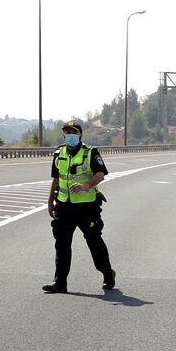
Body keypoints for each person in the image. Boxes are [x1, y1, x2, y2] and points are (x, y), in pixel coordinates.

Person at [43, 119, 116, 294]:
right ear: (63, 134)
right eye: (67, 132)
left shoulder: (90, 152)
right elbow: (56, 178)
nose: (70, 135)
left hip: (86, 207)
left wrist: (86, 186)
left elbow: (100, 174)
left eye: (74, 132)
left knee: (94, 242)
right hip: (64, 205)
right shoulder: (58, 153)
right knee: (61, 244)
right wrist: (50, 200)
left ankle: (107, 274)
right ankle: (60, 282)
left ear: (80, 134)